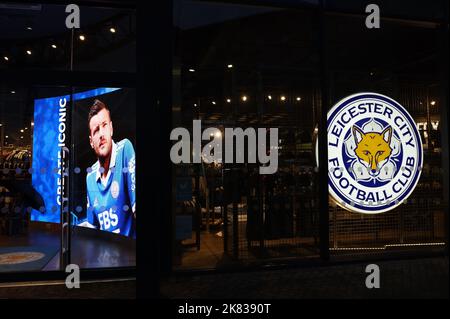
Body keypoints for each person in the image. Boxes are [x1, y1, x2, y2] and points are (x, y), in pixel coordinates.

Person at [85, 99, 136, 238]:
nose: (101, 134)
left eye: (104, 126)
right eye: (96, 130)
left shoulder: (125, 149)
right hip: (106, 256)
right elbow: (92, 230)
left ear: (111, 128)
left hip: (130, 255)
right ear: (91, 141)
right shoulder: (90, 177)